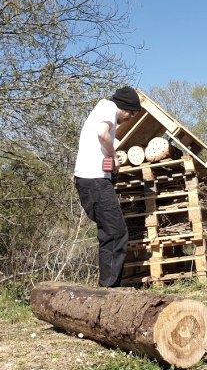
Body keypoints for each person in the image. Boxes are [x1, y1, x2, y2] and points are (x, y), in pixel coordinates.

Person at [74, 86, 141, 287]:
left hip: (93, 180)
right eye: (131, 112)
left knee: (110, 232)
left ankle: (107, 288)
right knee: (116, 233)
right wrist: (113, 157)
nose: (130, 117)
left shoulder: (103, 110)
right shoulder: (107, 108)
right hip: (94, 181)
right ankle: (108, 291)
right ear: (124, 106)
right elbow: (102, 134)